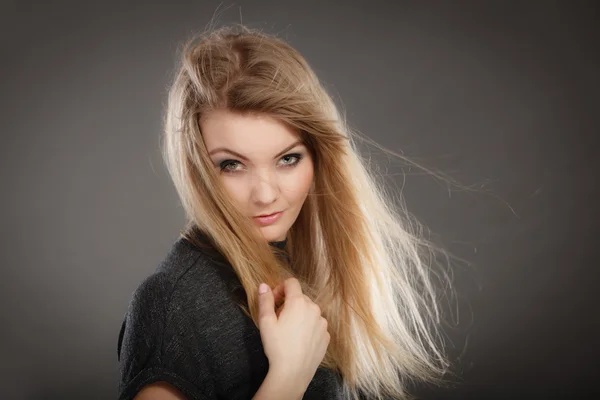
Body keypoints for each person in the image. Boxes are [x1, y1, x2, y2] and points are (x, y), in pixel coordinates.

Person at [117, 24, 451, 400]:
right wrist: (289, 376)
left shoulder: (296, 262)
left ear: (318, 158)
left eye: (288, 159)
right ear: (195, 169)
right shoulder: (167, 306)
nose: (265, 195)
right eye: (231, 165)